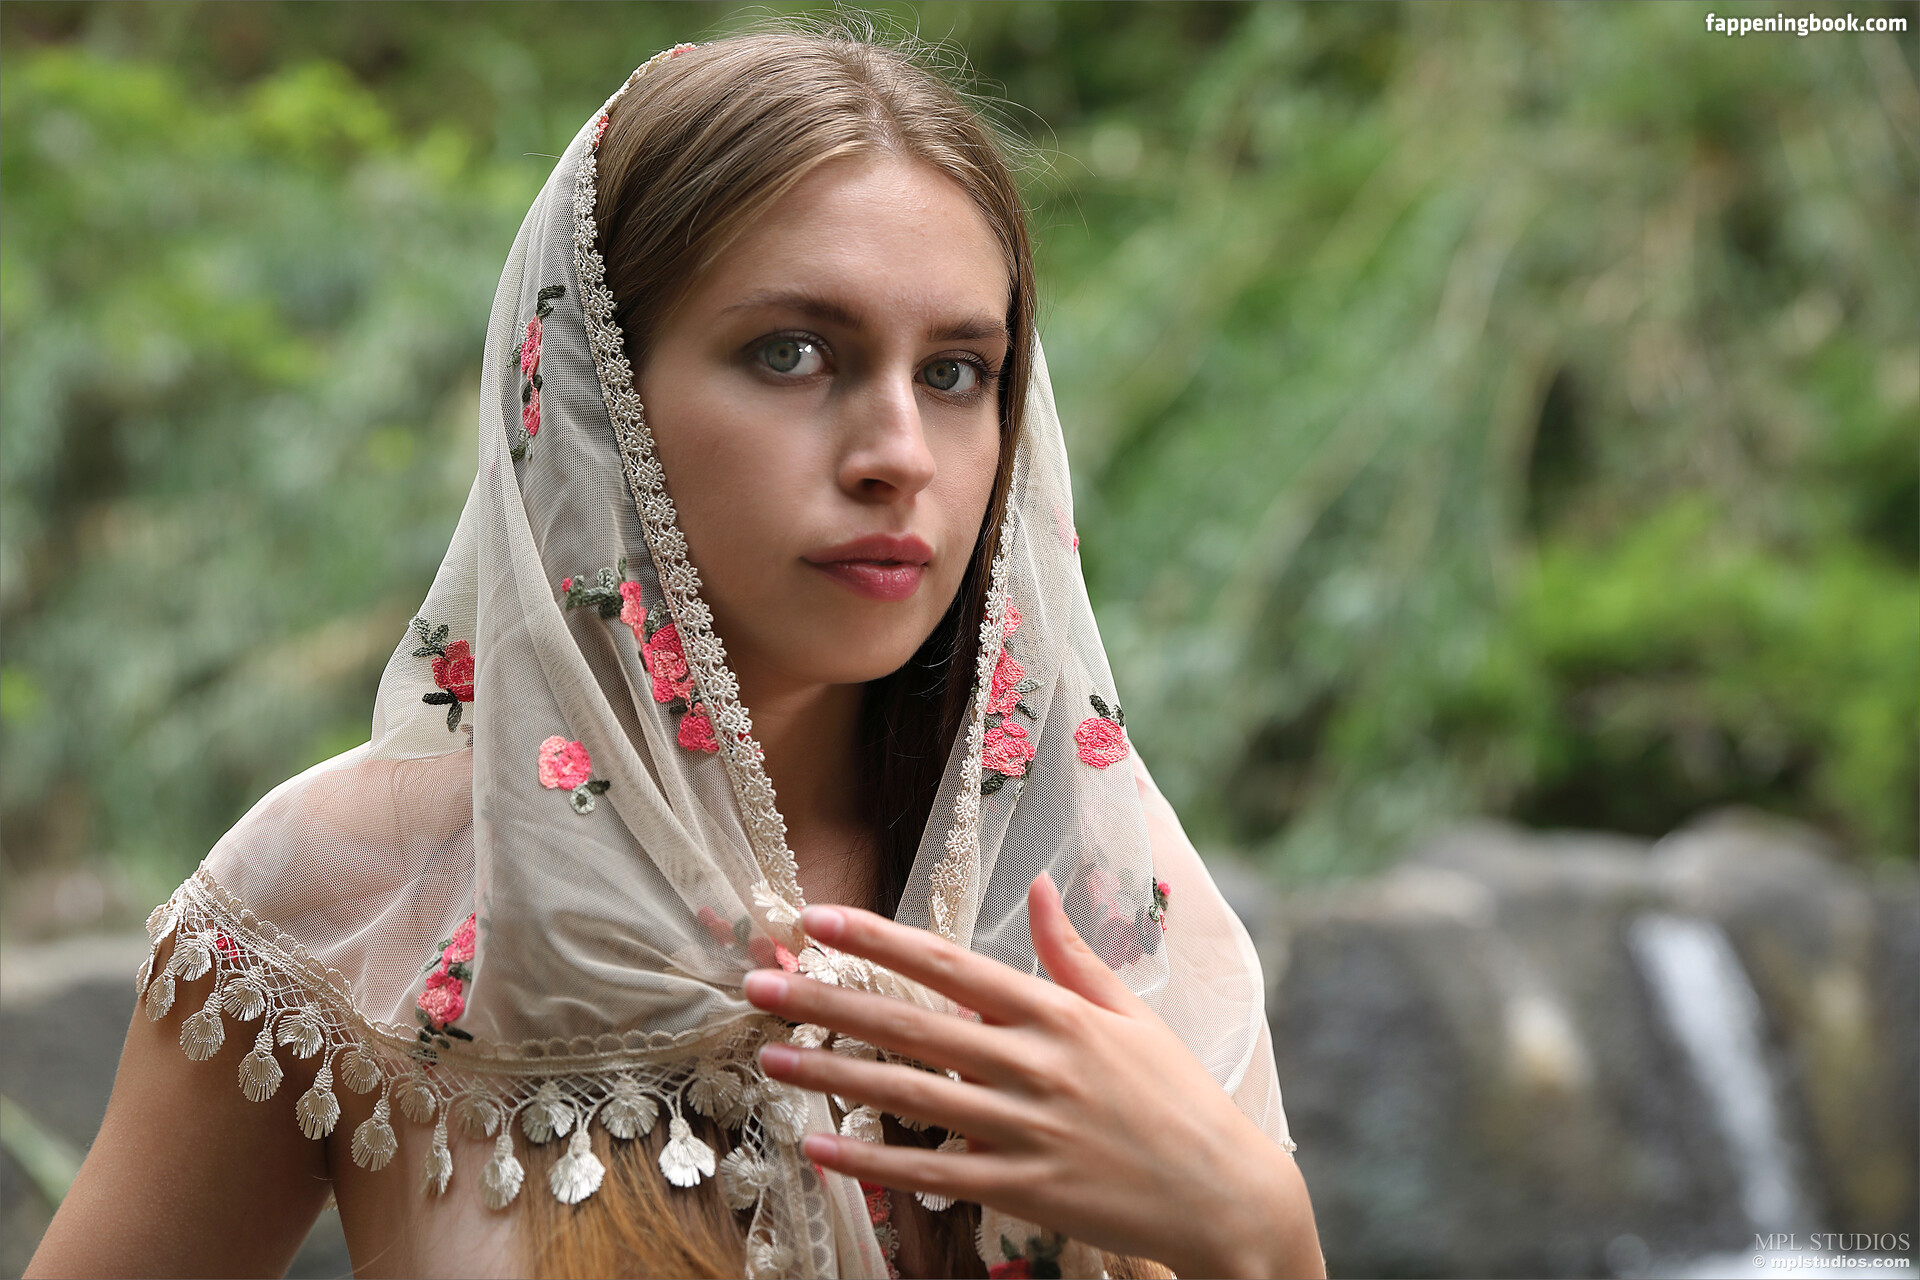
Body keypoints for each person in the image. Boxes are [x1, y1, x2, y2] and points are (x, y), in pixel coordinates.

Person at [27, 26, 1324, 1280]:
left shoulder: (1099, 890)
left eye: (954, 373)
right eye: (793, 354)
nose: (899, 455)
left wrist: (1263, 1242)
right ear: (596, 394)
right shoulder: (356, 897)